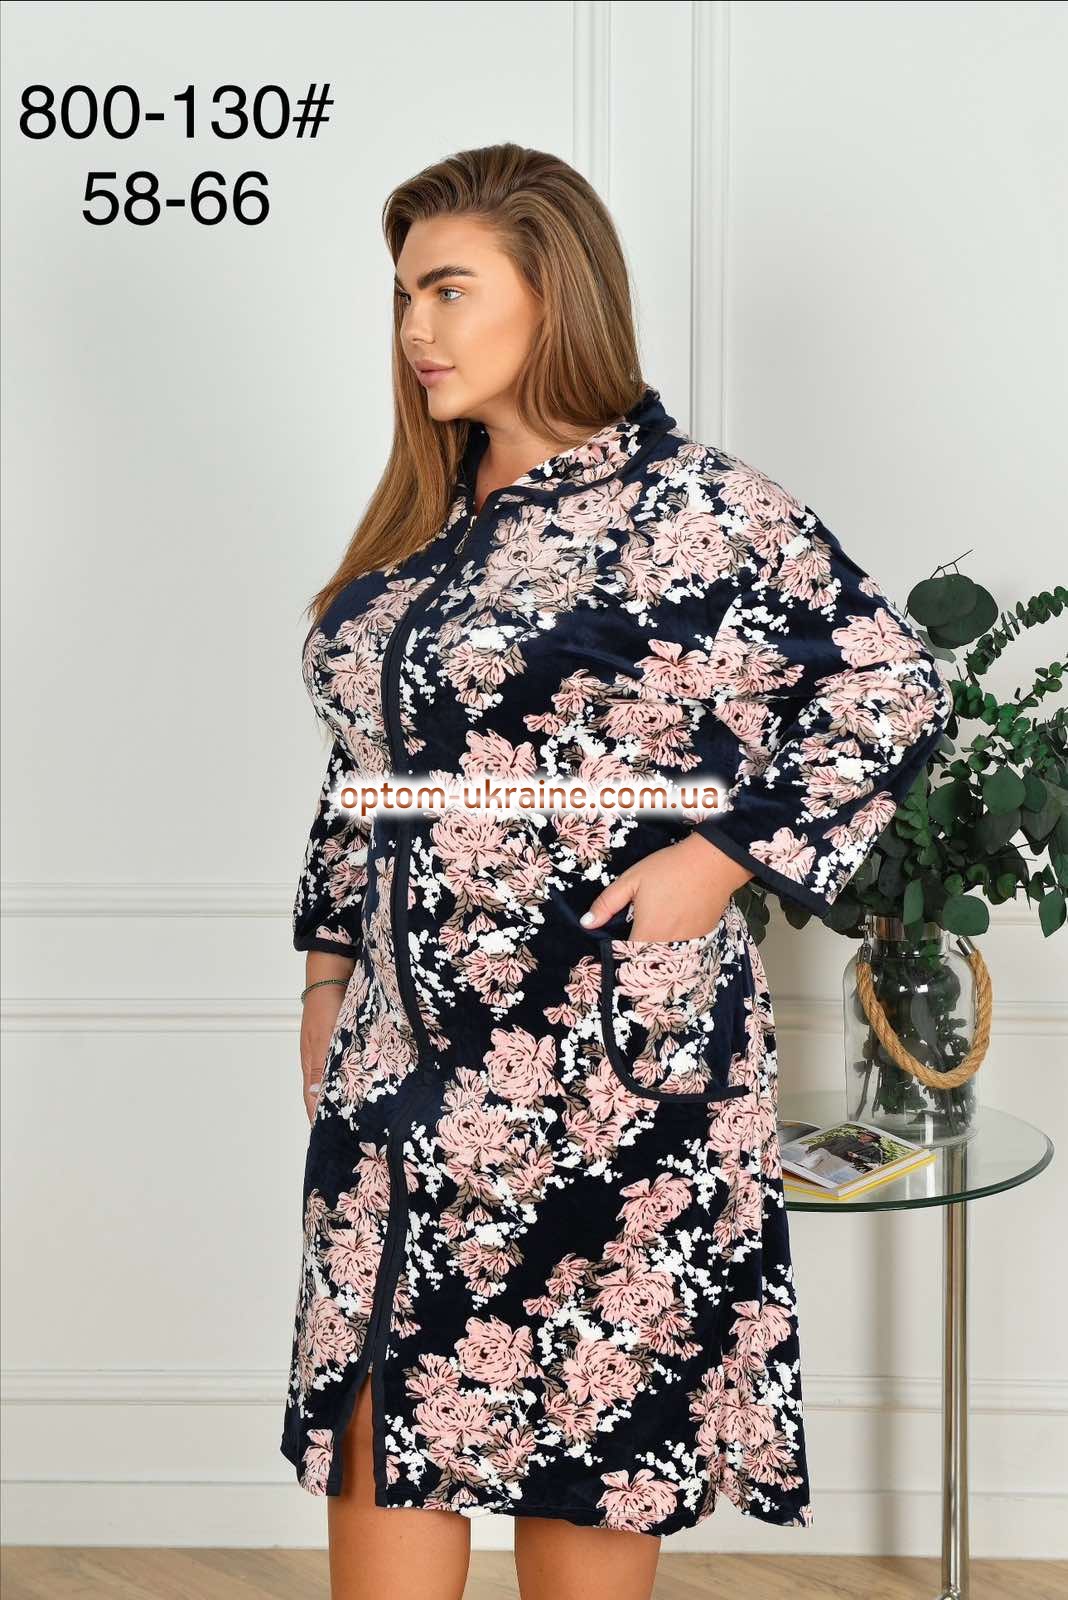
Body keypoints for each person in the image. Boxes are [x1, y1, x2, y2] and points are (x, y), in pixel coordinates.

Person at [280, 142, 952, 1600]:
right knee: (381, 1411)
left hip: (606, 1060)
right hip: (400, 1059)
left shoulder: (697, 509)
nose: (416, 329)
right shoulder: (422, 527)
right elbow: (362, 771)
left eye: (450, 290)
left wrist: (723, 858)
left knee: (588, 1429)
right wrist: (328, 975)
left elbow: (893, 687)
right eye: (402, 296)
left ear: (555, 290)